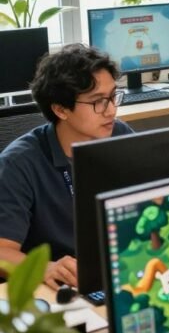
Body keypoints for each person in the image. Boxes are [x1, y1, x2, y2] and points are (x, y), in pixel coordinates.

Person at [0, 45, 134, 290]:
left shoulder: (121, 135)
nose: (112, 110)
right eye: (98, 102)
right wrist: (46, 268)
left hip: (118, 270)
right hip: (63, 286)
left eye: (113, 96)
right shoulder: (18, 164)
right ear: (60, 109)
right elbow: (2, 252)